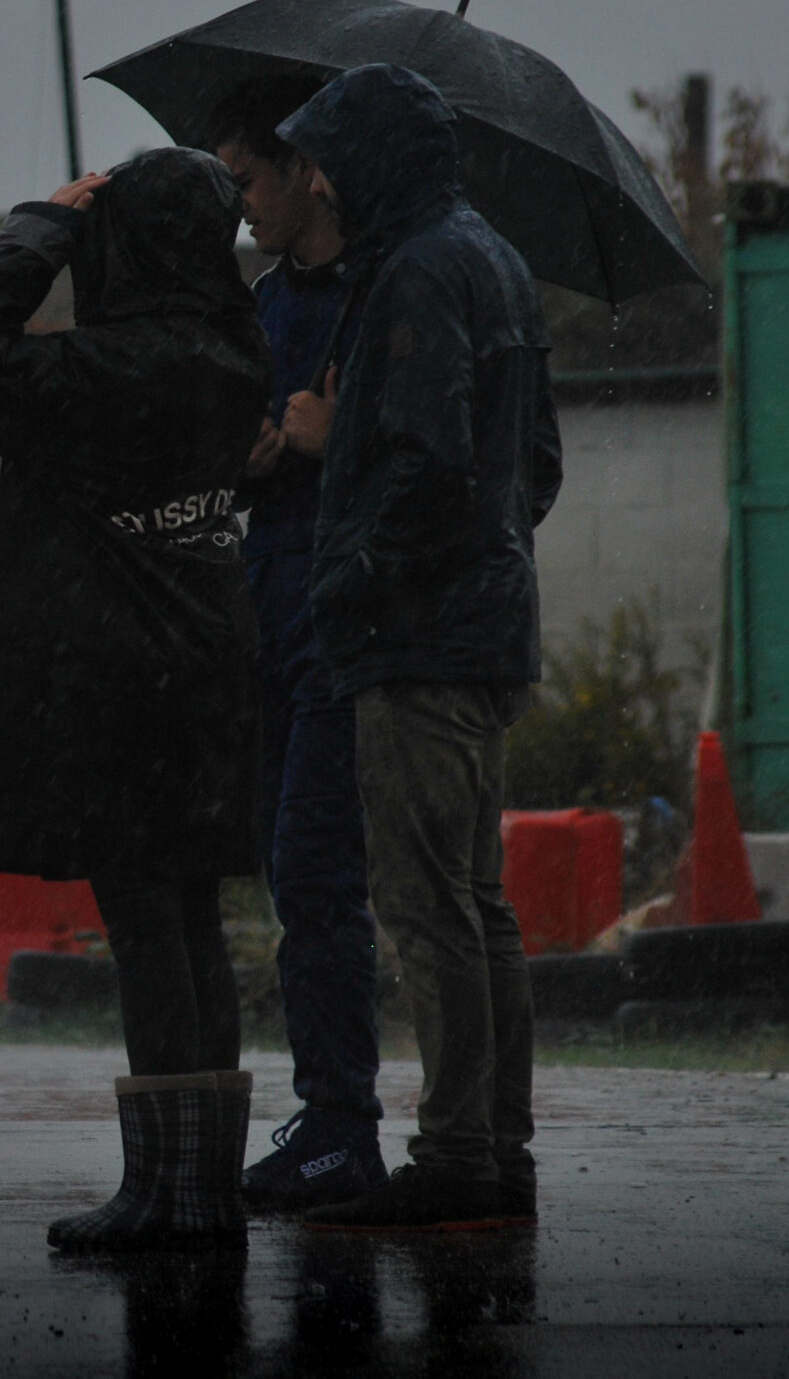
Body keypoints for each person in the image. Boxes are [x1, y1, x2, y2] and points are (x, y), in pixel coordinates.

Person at [0, 147, 272, 1251]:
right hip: (215, 675)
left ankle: (161, 1190)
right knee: (193, 922)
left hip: (122, 682)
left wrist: (39, 226)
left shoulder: (97, 374)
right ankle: (205, 1180)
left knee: (143, 922)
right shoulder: (234, 355)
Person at [274, 64, 562, 1233]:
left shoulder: (413, 275)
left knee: (425, 901)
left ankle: (453, 1153)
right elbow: (529, 464)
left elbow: (423, 466)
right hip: (489, 629)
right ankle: (495, 1146)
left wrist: (351, 582)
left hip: (417, 642)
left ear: (367, 161)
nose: (318, 178)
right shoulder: (492, 261)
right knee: (478, 901)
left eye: (326, 156)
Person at [207, 76, 388, 1212]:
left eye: (247, 182)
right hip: (267, 623)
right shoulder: (262, 306)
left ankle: (339, 1123)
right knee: (289, 874)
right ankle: (327, 1114)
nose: (238, 209)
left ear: (303, 172)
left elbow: (431, 456)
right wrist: (254, 454)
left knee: (321, 878)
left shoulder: (391, 295)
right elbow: (218, 443)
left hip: (347, 627)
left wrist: (334, 439)